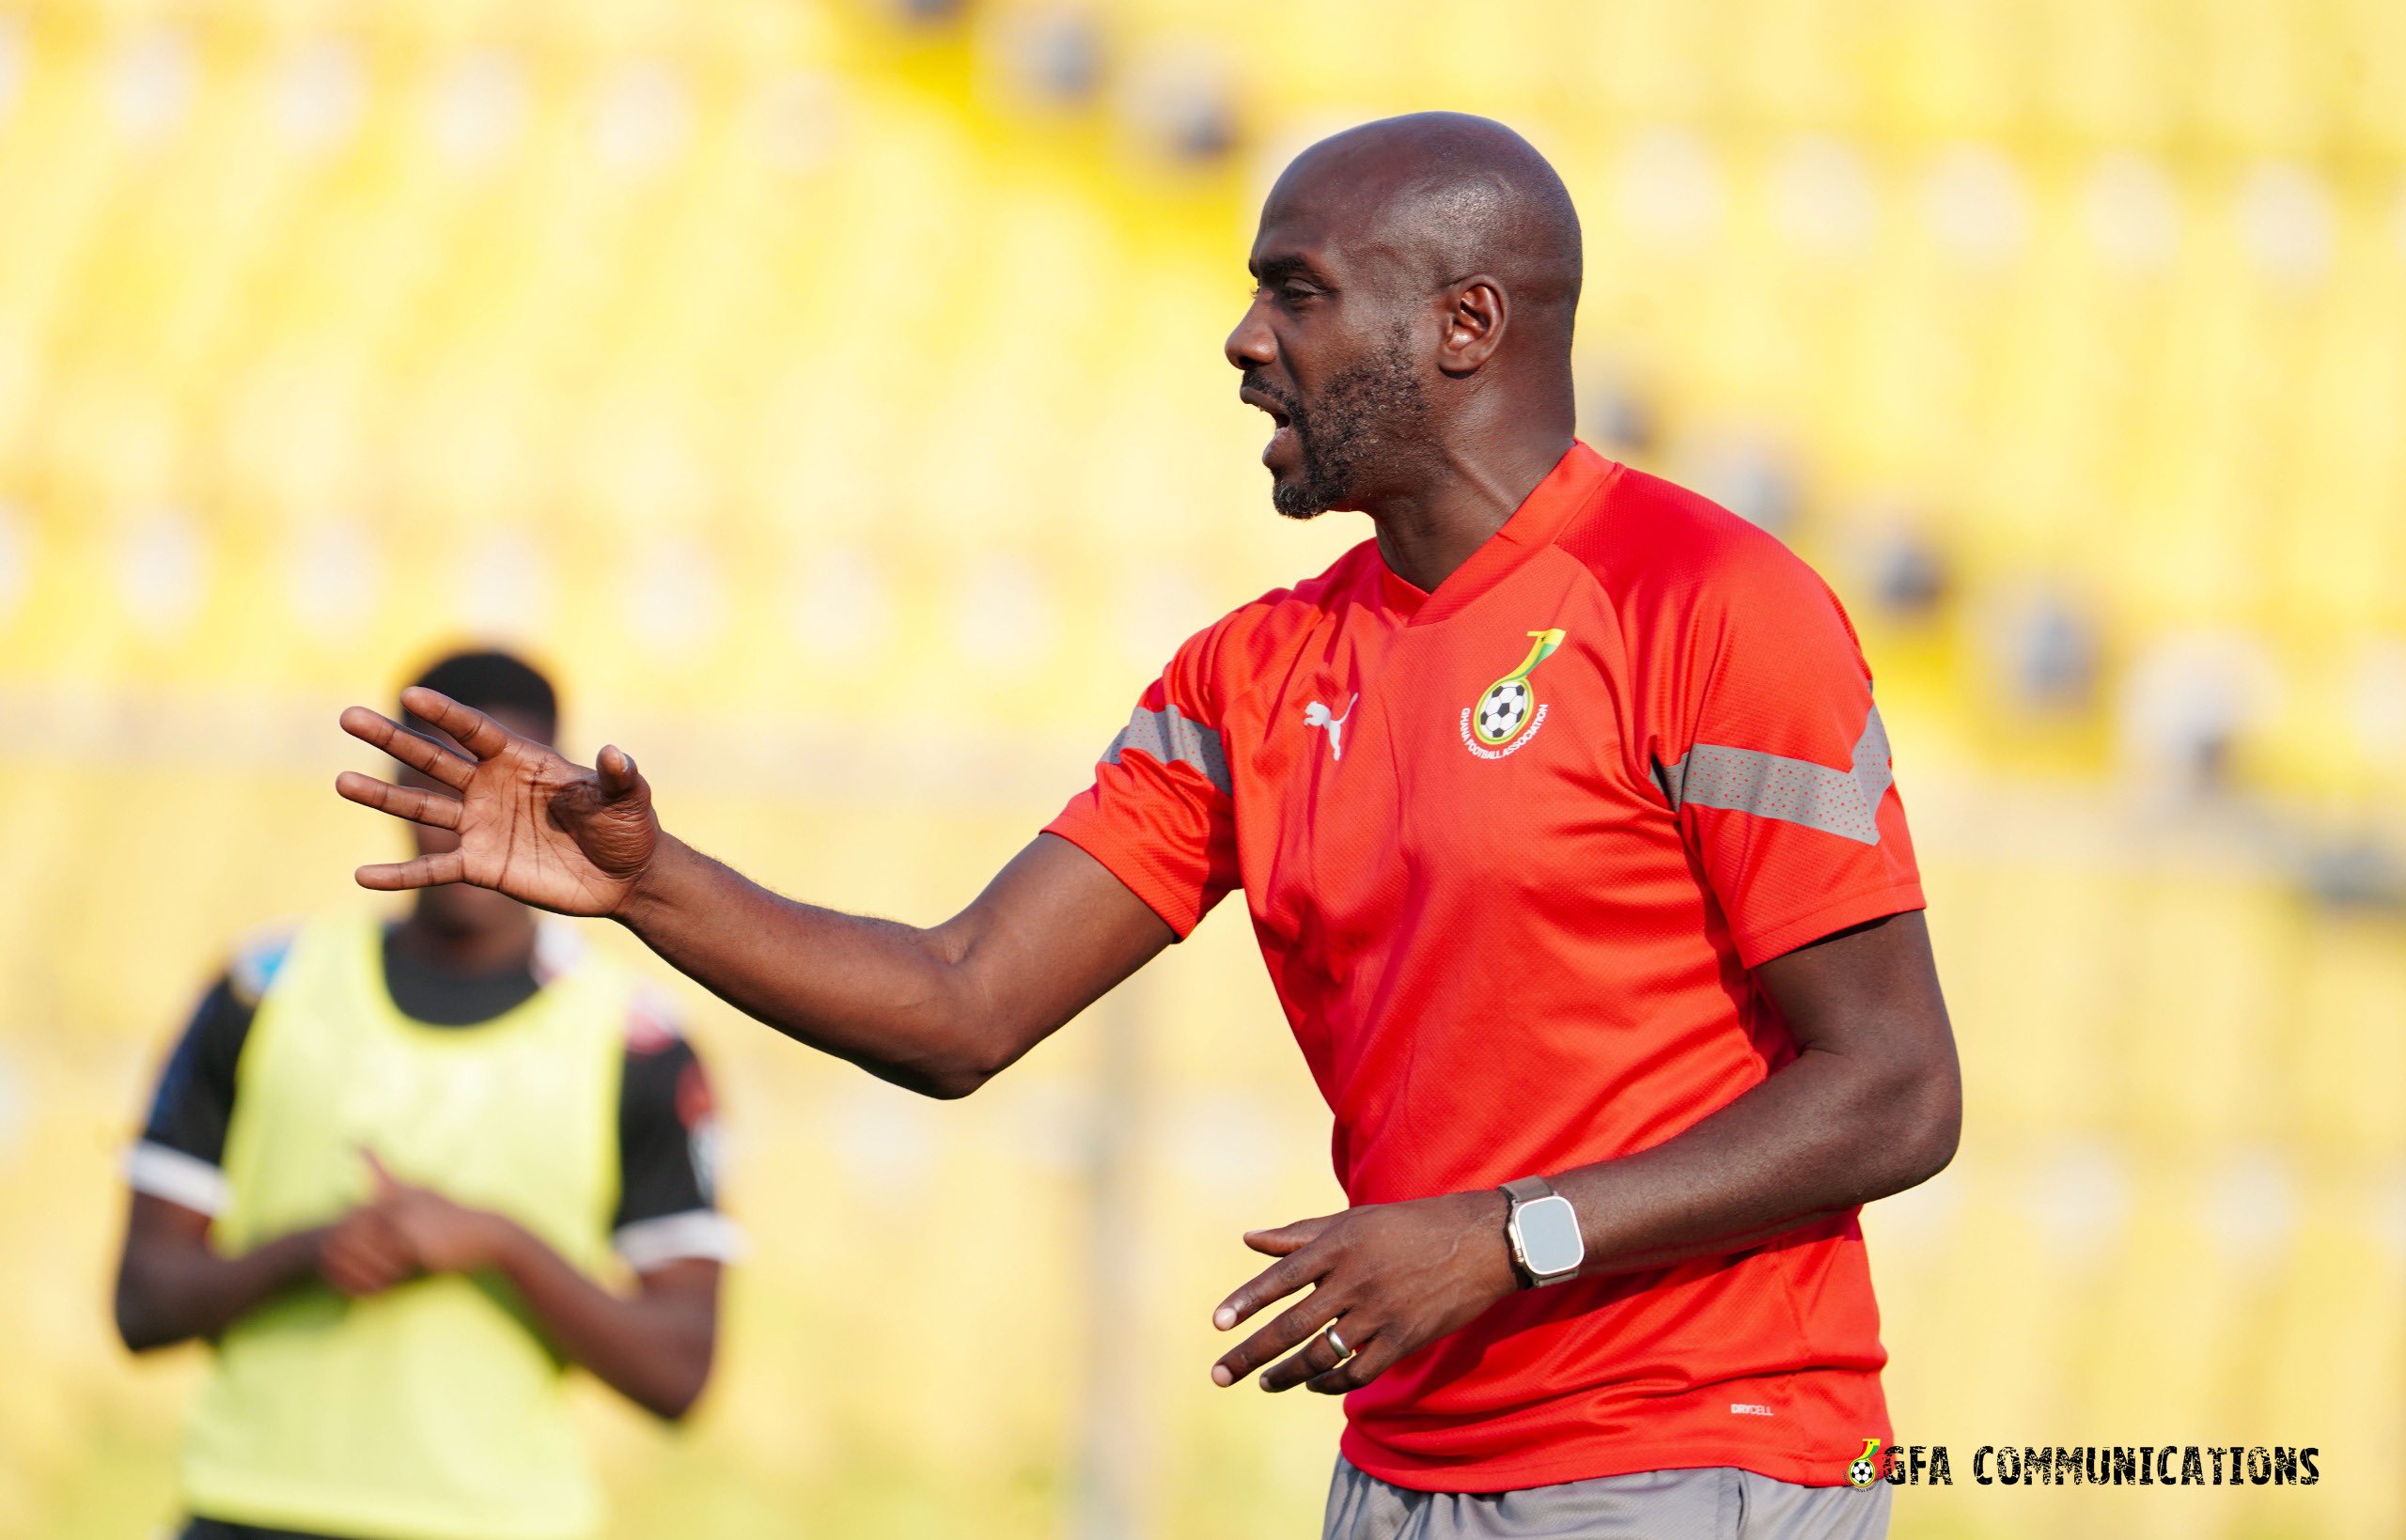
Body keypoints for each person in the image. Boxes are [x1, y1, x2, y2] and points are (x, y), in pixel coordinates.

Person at [333, 115, 1959, 1540]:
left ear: (1466, 323)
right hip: (1400, 1471)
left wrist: (1513, 1234)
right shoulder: (1251, 671)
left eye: (1297, 290)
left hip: (1695, 1461)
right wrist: (650, 882)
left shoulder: (1712, 603)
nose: (1247, 339)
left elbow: (1893, 1090)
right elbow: (964, 1000)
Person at [120, 649, 735, 1540]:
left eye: (511, 787)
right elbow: (142, 1302)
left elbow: (679, 1374)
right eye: (444, 780)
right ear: (393, 781)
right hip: (251, 1510)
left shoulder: (636, 1040)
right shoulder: (264, 990)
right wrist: (306, 1251)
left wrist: (501, 1244)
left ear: (567, 794)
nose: (473, 817)